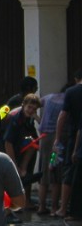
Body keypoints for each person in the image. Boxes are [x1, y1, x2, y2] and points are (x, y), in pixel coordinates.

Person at [53, 69, 82, 219]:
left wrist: (57, 138)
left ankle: (63, 208)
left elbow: (62, 116)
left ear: (77, 78)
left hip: (75, 136)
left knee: (69, 172)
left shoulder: (71, 92)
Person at [37, 84, 69, 216]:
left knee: (44, 171)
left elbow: (35, 102)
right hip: (58, 138)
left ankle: (41, 206)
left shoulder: (49, 97)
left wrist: (35, 116)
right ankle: (54, 208)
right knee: (56, 172)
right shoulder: (67, 100)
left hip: (44, 138)